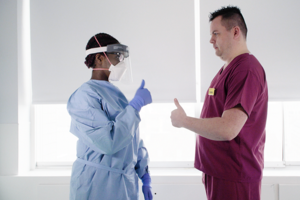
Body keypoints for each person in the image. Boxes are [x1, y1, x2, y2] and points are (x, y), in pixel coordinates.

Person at [170, 6, 268, 200]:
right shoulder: (228, 69)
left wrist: (184, 121)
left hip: (235, 178)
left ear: (235, 32)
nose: (211, 40)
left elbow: (228, 128)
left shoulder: (245, 70)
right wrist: (209, 167)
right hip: (220, 174)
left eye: (216, 33)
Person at [67, 33, 153, 200]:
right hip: (96, 183)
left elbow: (132, 138)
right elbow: (108, 142)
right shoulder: (84, 96)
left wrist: (145, 174)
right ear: (100, 58)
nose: (121, 63)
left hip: (123, 184)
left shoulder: (114, 94)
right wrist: (134, 107)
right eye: (117, 56)